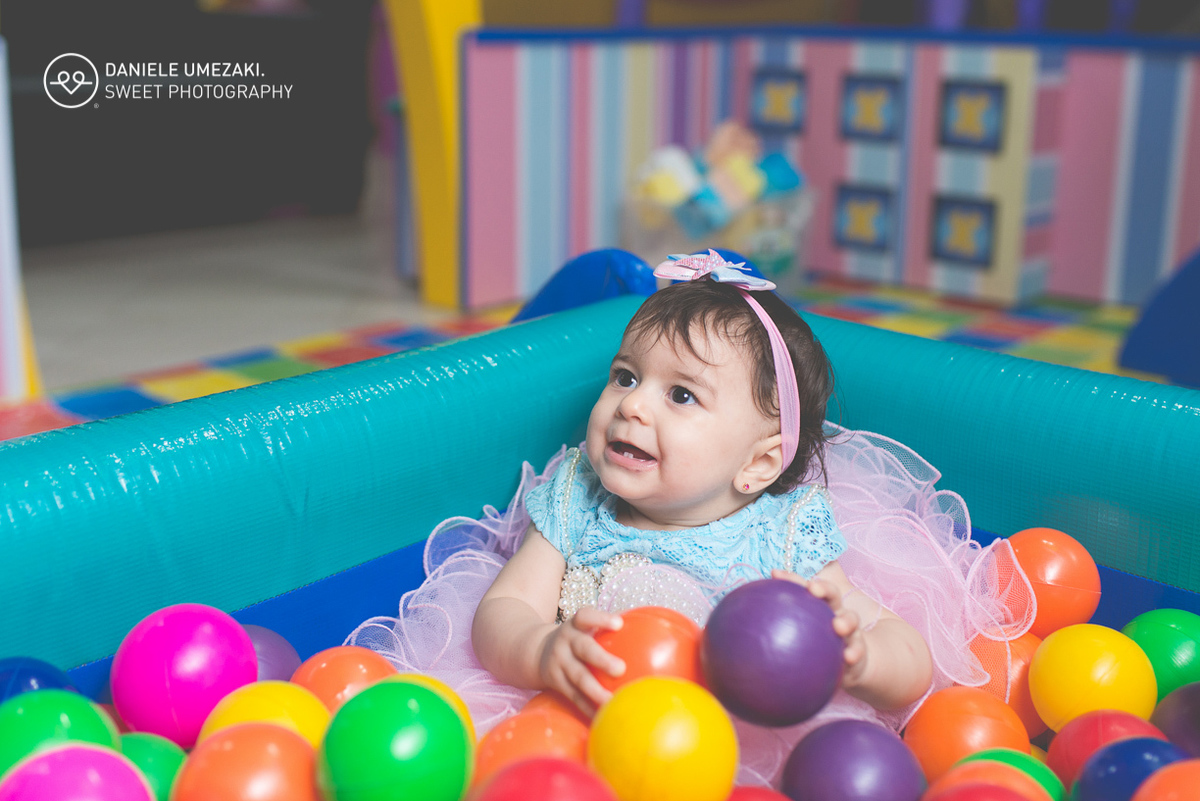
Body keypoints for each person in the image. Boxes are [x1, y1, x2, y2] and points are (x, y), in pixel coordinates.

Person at [347, 250, 1033, 786]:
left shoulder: (783, 534)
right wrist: (543, 651)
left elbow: (907, 657)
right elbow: (501, 611)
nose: (632, 405)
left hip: (730, 749)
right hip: (584, 734)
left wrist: (861, 658)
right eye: (625, 376)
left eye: (680, 395)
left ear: (758, 464)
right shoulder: (577, 500)